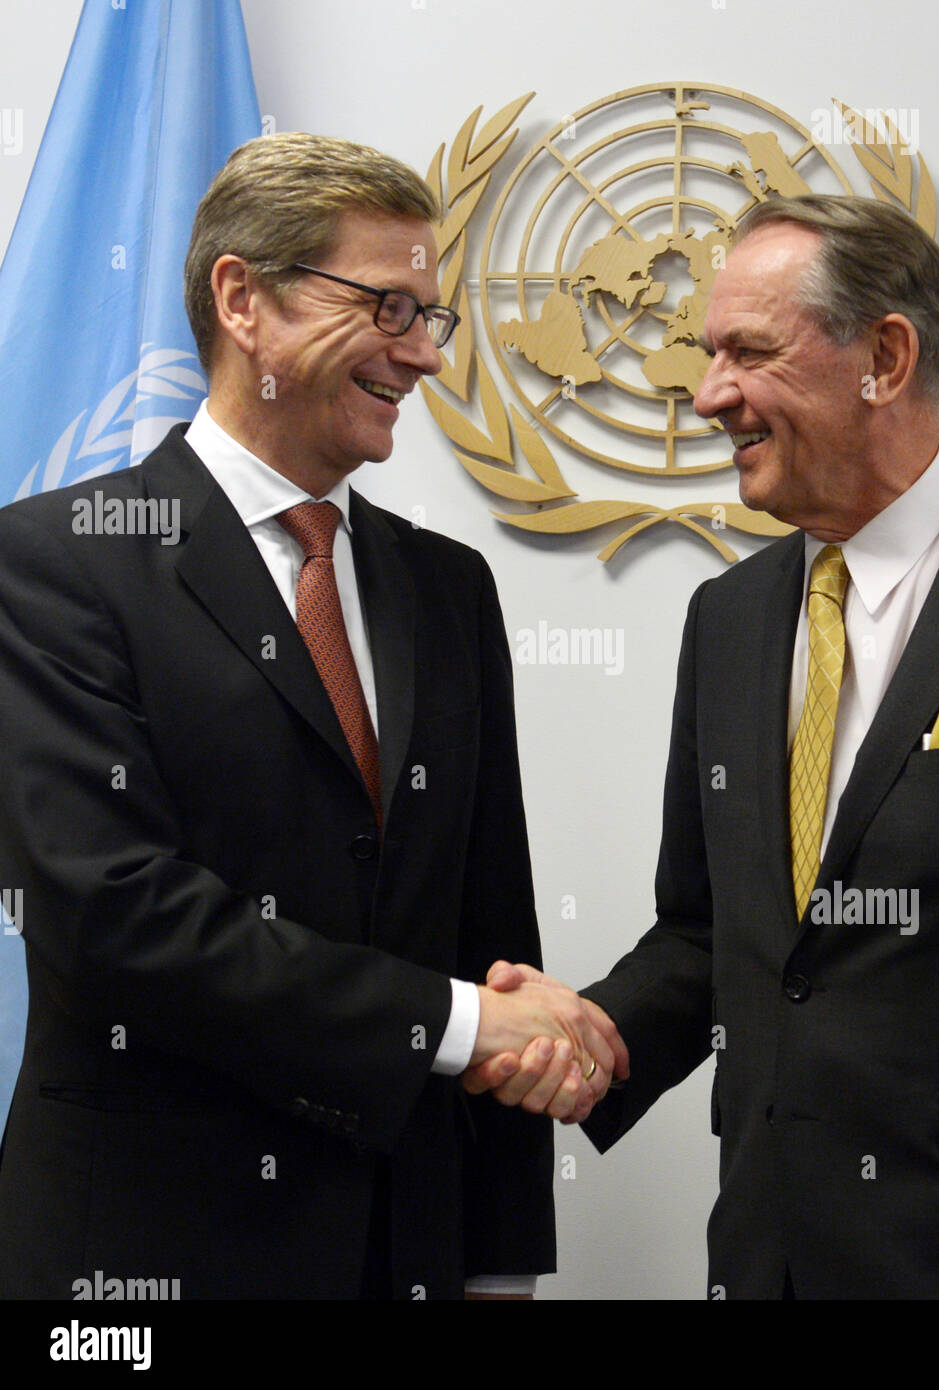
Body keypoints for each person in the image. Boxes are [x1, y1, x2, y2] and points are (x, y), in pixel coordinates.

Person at [466, 194, 939, 1300]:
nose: (709, 391)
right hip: (767, 1261)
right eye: (706, 352)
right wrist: (581, 1039)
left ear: (884, 355)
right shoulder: (729, 618)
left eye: (747, 352)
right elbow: (710, 934)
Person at [0, 131, 625, 1301]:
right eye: (389, 307)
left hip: (406, 1253)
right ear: (243, 297)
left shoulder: (446, 588)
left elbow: (490, 927)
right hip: (142, 1262)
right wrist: (453, 1025)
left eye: (430, 318)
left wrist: (500, 1257)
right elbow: (115, 915)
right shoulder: (52, 567)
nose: (423, 358)